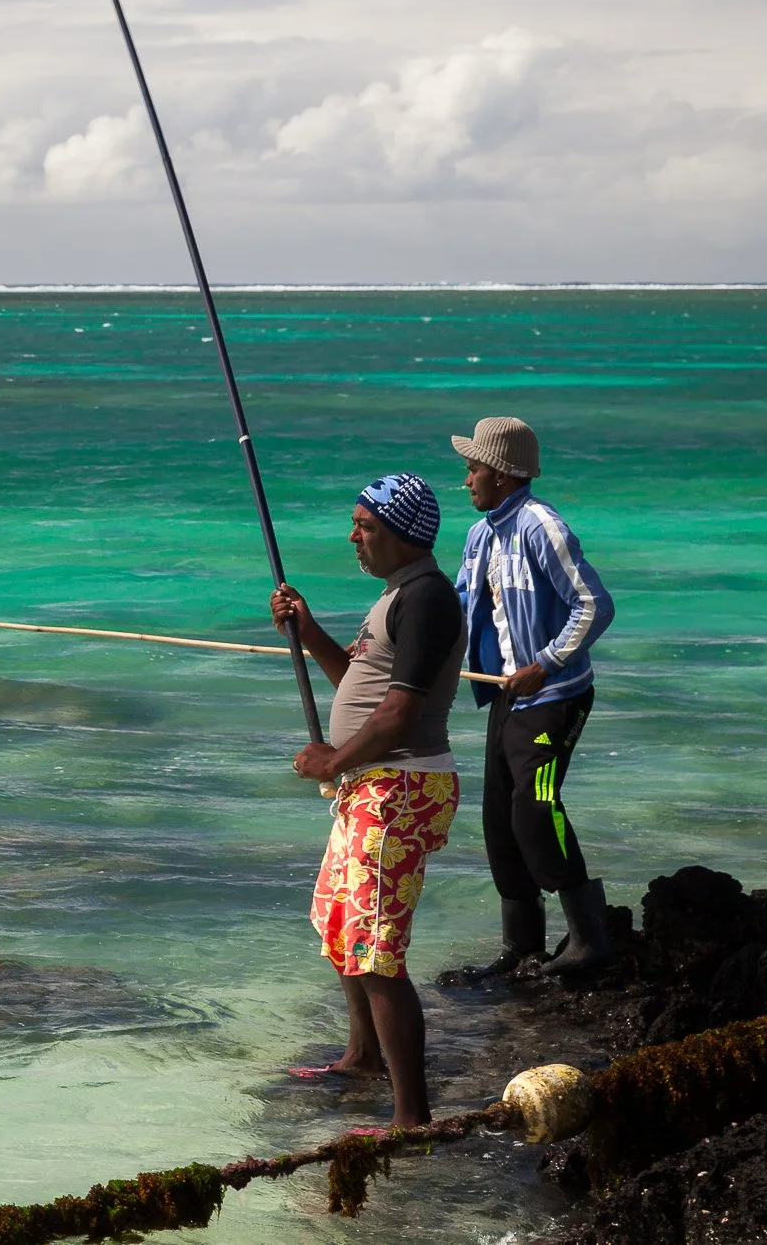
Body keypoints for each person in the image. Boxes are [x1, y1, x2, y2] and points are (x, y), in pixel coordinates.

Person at [269, 473, 465, 1129]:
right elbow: (361, 681)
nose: (353, 535)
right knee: (339, 923)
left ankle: (412, 1118)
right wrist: (309, 630)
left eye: (366, 525)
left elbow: (402, 711)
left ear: (404, 533)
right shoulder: (396, 594)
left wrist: (334, 757)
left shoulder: (429, 597)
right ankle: (362, 1057)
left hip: (399, 787)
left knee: (377, 946)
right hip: (371, 784)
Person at [451, 416, 617, 978]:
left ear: (500, 474)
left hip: (554, 695)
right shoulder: (480, 535)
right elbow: (457, 608)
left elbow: (595, 605)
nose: (466, 478)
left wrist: (543, 664)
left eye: (473, 468)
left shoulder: (542, 526)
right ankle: (521, 948)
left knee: (535, 806)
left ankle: (590, 939)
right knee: (499, 817)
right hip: (505, 697)